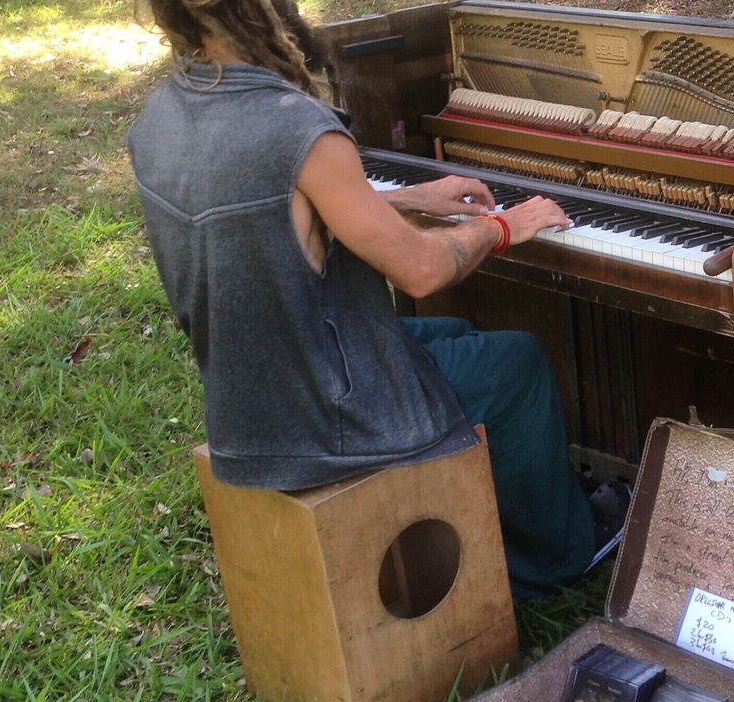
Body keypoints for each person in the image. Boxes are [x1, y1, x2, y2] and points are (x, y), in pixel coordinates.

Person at [127, 0, 620, 599]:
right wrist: (502, 226)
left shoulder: (164, 113)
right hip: (325, 414)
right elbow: (421, 272)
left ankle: (500, 508)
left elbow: (268, 214)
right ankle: (559, 557)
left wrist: (410, 199)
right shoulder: (297, 127)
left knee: (452, 332)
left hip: (250, 394)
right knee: (516, 362)